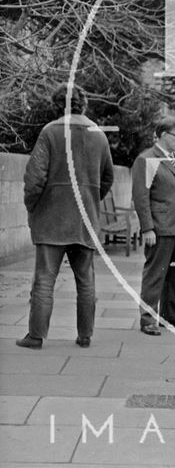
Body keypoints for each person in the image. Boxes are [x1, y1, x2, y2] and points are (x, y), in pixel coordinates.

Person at [17, 85, 114, 350]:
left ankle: (36, 336)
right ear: (83, 104)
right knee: (86, 281)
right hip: (85, 219)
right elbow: (108, 177)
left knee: (45, 280)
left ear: (58, 105)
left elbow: (34, 178)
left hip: (52, 218)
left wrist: (33, 207)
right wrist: (90, 199)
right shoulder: (99, 135)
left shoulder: (50, 132)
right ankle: (85, 335)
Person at [132, 116, 175, 335]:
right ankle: (148, 319)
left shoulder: (174, 157)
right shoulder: (146, 159)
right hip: (159, 227)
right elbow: (141, 196)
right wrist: (147, 228)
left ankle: (170, 315)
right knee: (155, 274)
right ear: (164, 135)